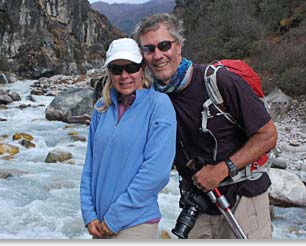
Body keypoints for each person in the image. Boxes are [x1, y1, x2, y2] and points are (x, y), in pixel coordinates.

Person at [133, 13, 278, 239]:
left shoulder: (219, 81)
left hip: (243, 198)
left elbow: (268, 134)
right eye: (149, 49)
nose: (158, 55)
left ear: (178, 47)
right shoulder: (153, 99)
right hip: (199, 202)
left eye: (164, 45)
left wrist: (223, 169)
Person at [80, 38, 177, 239]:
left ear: (142, 69)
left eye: (131, 67)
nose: (124, 75)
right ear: (109, 73)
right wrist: (89, 214)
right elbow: (90, 166)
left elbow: (156, 173)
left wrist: (115, 218)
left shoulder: (159, 105)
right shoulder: (101, 108)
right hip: (100, 224)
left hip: (136, 223)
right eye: (116, 69)